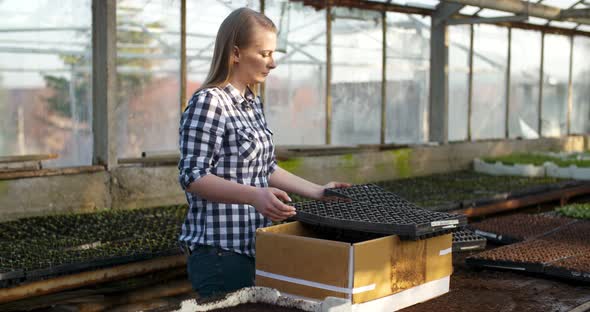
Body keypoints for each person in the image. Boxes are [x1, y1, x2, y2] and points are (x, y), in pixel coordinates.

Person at [178, 7, 350, 299]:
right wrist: (254, 195)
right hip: (221, 253)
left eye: (273, 53)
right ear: (235, 53)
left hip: (257, 246)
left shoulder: (251, 103)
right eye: (264, 53)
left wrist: (319, 192)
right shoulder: (209, 102)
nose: (273, 63)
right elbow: (193, 177)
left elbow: (267, 168)